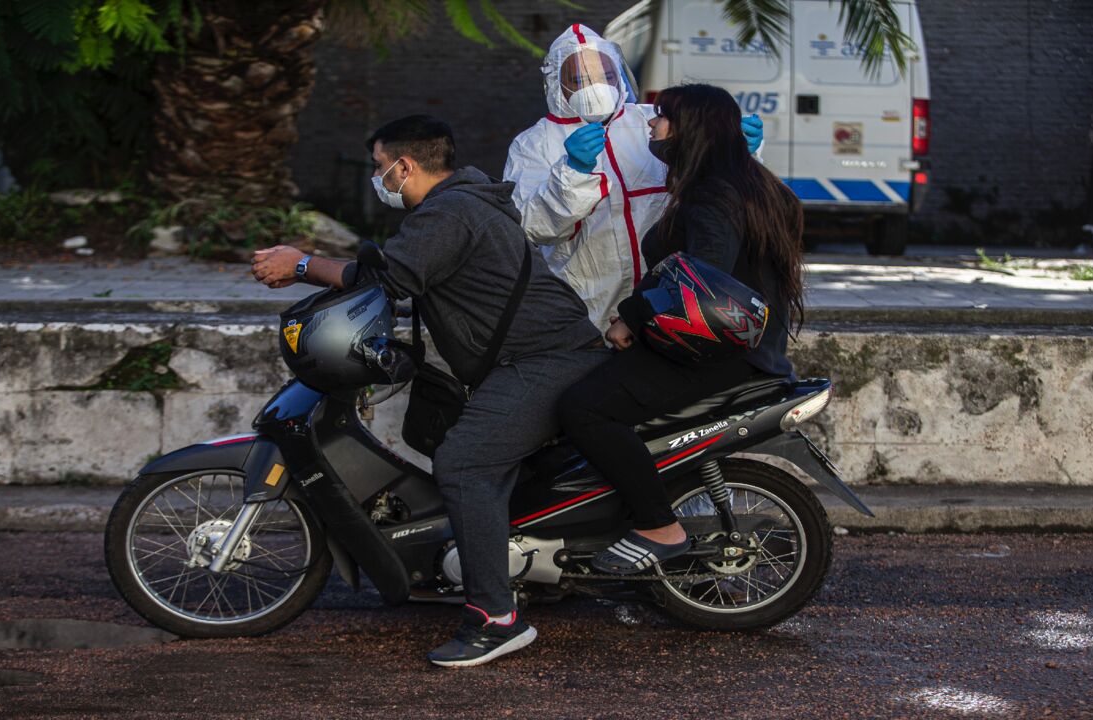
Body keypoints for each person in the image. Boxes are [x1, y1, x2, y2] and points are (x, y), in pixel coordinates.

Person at [250, 115, 608, 667]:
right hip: (538, 356)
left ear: (405, 166)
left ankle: (496, 618)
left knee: (464, 465)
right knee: (454, 440)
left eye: (379, 168)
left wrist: (300, 263)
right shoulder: (464, 203)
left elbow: (388, 279)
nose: (379, 178)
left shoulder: (448, 212)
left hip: (543, 362)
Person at [556, 84, 805, 573]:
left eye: (663, 118)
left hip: (720, 355)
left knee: (582, 409)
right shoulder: (751, 184)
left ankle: (658, 525)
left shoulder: (713, 194)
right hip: (735, 349)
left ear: (691, 130)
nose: (652, 126)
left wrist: (631, 316)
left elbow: (701, 283)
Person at [504, 23, 764, 331]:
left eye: (606, 75)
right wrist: (572, 173)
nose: (595, 85)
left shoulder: (652, 122)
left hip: (666, 297)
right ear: (556, 81)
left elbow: (714, 184)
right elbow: (533, 228)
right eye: (578, 79)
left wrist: (742, 151)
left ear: (619, 73)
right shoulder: (535, 143)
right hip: (586, 302)